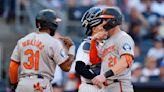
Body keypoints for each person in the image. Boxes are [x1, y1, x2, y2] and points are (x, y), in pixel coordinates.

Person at [9, 9, 75, 92]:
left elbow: (13, 66)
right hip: (40, 84)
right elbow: (66, 67)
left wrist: (14, 84)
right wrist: (72, 49)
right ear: (52, 24)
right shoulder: (53, 42)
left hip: (23, 83)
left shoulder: (22, 40)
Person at [89, 7, 135, 92]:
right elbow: (94, 61)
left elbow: (126, 61)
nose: (102, 23)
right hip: (106, 86)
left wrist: (105, 75)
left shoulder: (123, 37)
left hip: (119, 84)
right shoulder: (106, 41)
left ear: (113, 20)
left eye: (105, 19)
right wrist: (93, 42)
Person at [75, 6, 108, 92]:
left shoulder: (106, 44)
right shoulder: (87, 44)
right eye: (102, 26)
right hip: (90, 87)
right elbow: (79, 67)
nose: (106, 29)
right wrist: (94, 78)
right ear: (94, 29)